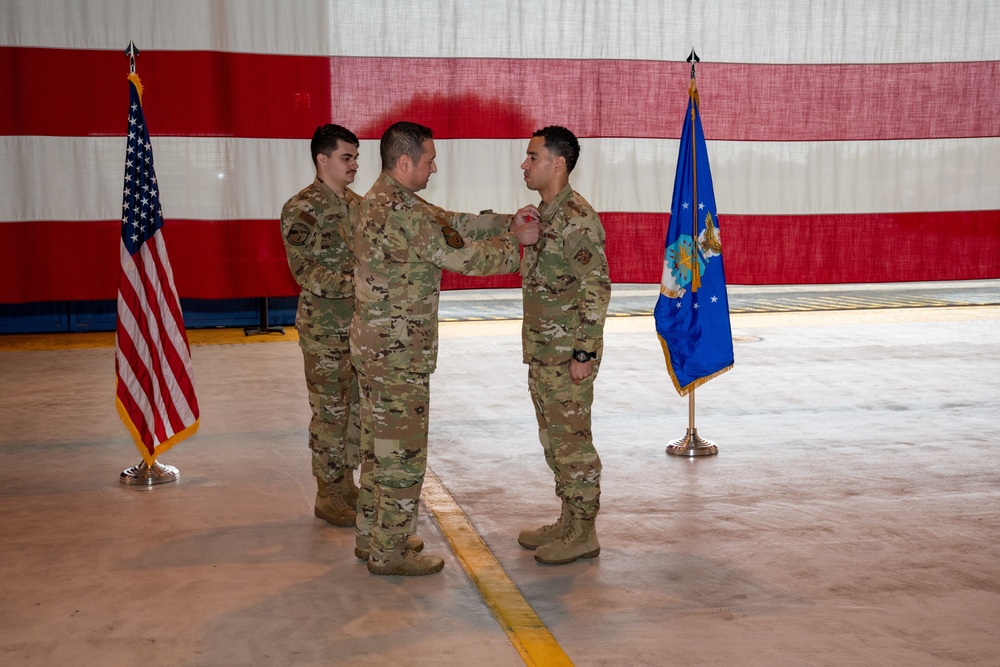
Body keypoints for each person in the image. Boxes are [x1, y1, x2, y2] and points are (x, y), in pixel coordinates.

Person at [351, 121, 540, 576]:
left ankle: (372, 535)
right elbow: (463, 256)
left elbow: (451, 222)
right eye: (429, 160)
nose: (434, 168)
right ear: (404, 162)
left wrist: (502, 221)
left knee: (377, 450)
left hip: (375, 348)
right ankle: (390, 552)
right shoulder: (401, 212)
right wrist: (516, 242)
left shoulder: (384, 200)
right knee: (402, 454)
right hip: (397, 353)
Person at [517, 125, 611, 565]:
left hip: (566, 356)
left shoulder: (576, 218)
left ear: (559, 163)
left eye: (533, 157)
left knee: (573, 443)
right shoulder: (544, 214)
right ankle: (569, 518)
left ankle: (584, 532)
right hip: (542, 352)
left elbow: (597, 285)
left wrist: (584, 353)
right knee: (554, 440)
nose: (525, 164)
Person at [280, 124, 363, 528]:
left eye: (356, 157)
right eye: (347, 157)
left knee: (355, 411)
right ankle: (327, 494)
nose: (354, 165)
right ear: (323, 160)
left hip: (361, 328)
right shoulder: (303, 209)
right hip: (324, 329)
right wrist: (358, 285)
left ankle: (346, 484)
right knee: (330, 412)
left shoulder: (360, 206)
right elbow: (303, 269)